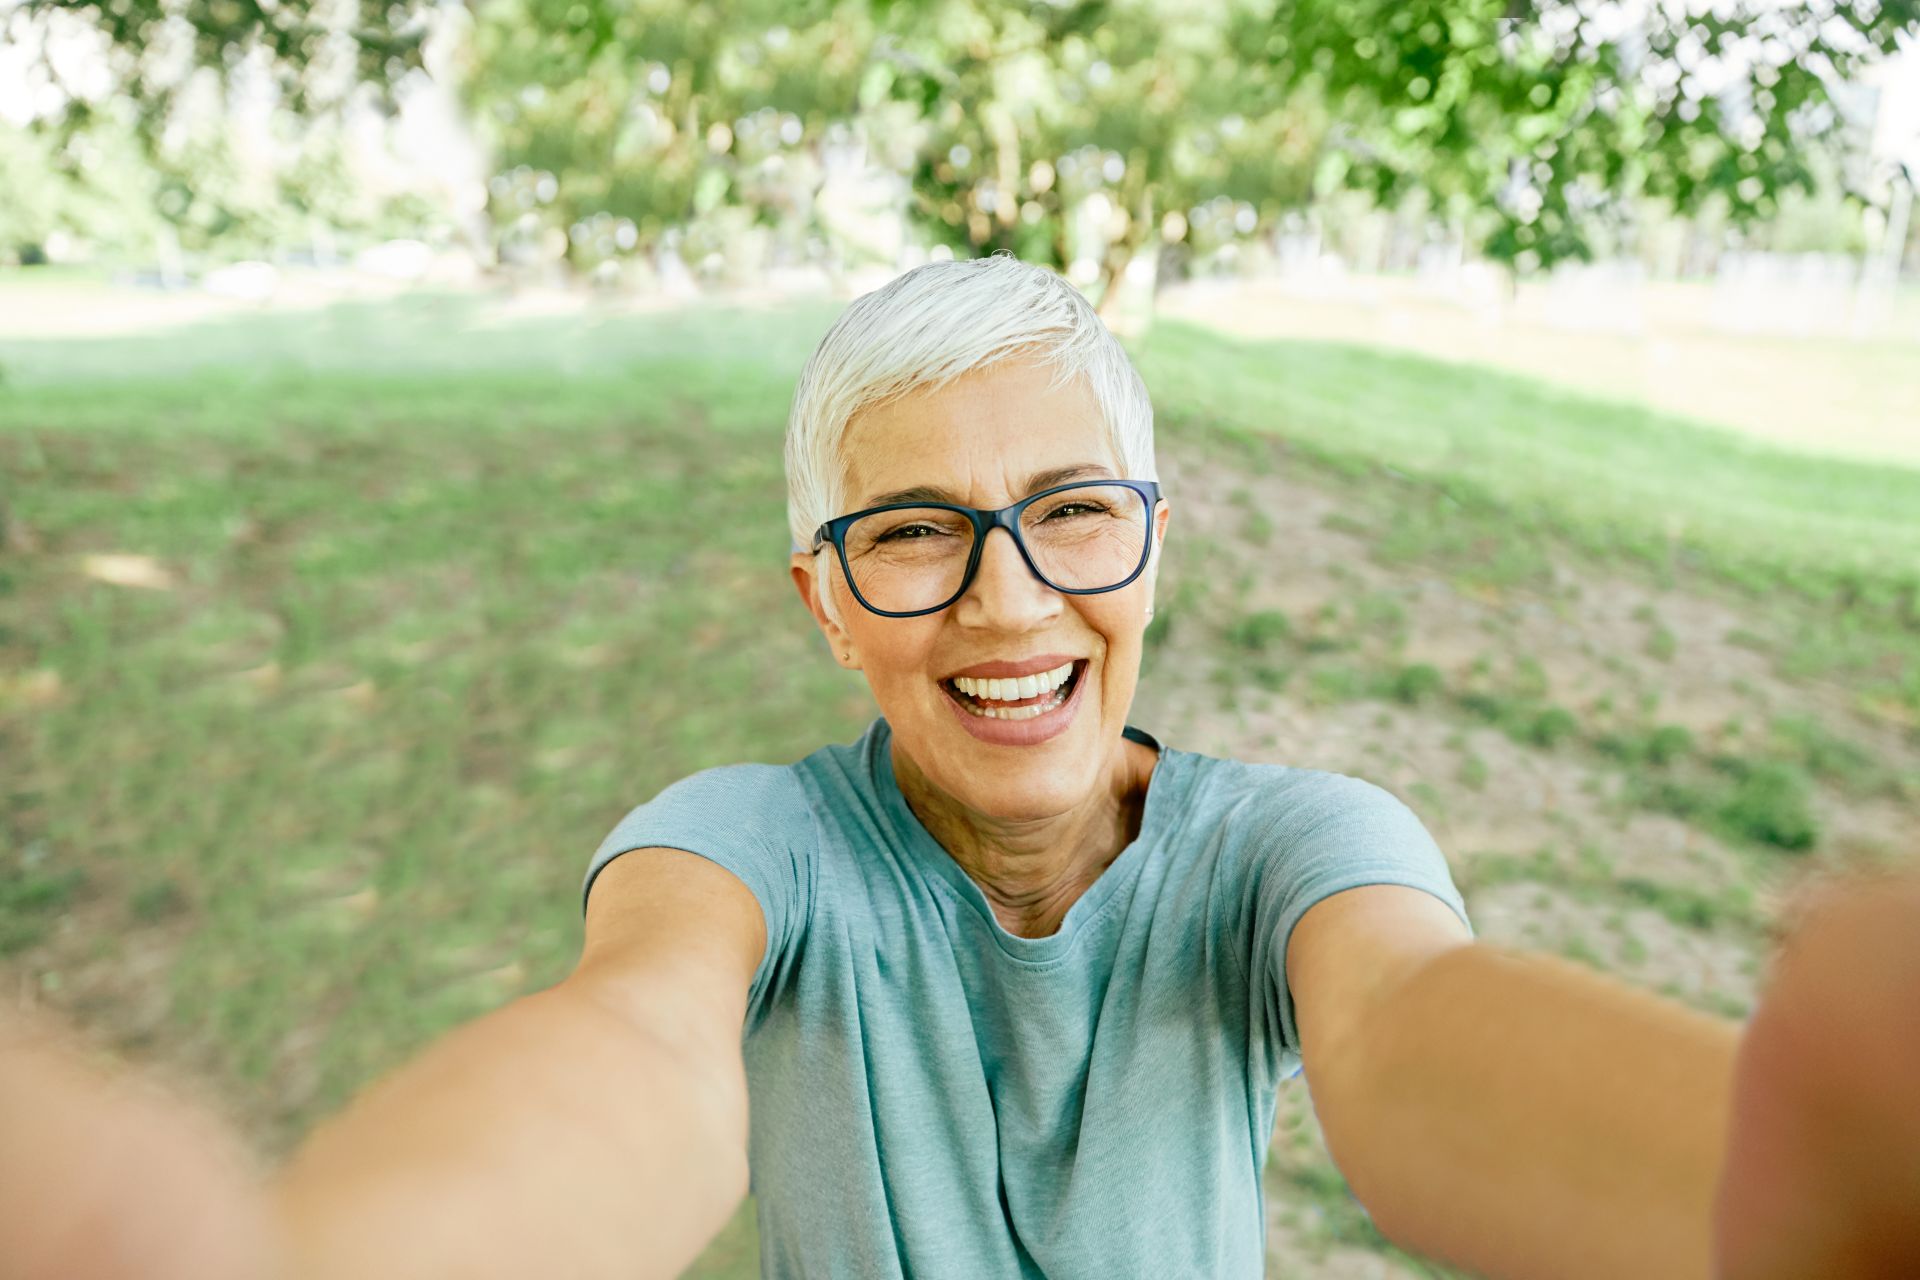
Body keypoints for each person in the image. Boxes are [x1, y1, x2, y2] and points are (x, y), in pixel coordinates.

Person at [5, 254, 1914, 1280]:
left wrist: (1769, 1198)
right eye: (914, 532)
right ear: (826, 603)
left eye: (1073, 511)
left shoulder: (1295, 847)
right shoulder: (742, 843)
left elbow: (1412, 1045)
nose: (1009, 599)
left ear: (1151, 548)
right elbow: (637, 1057)